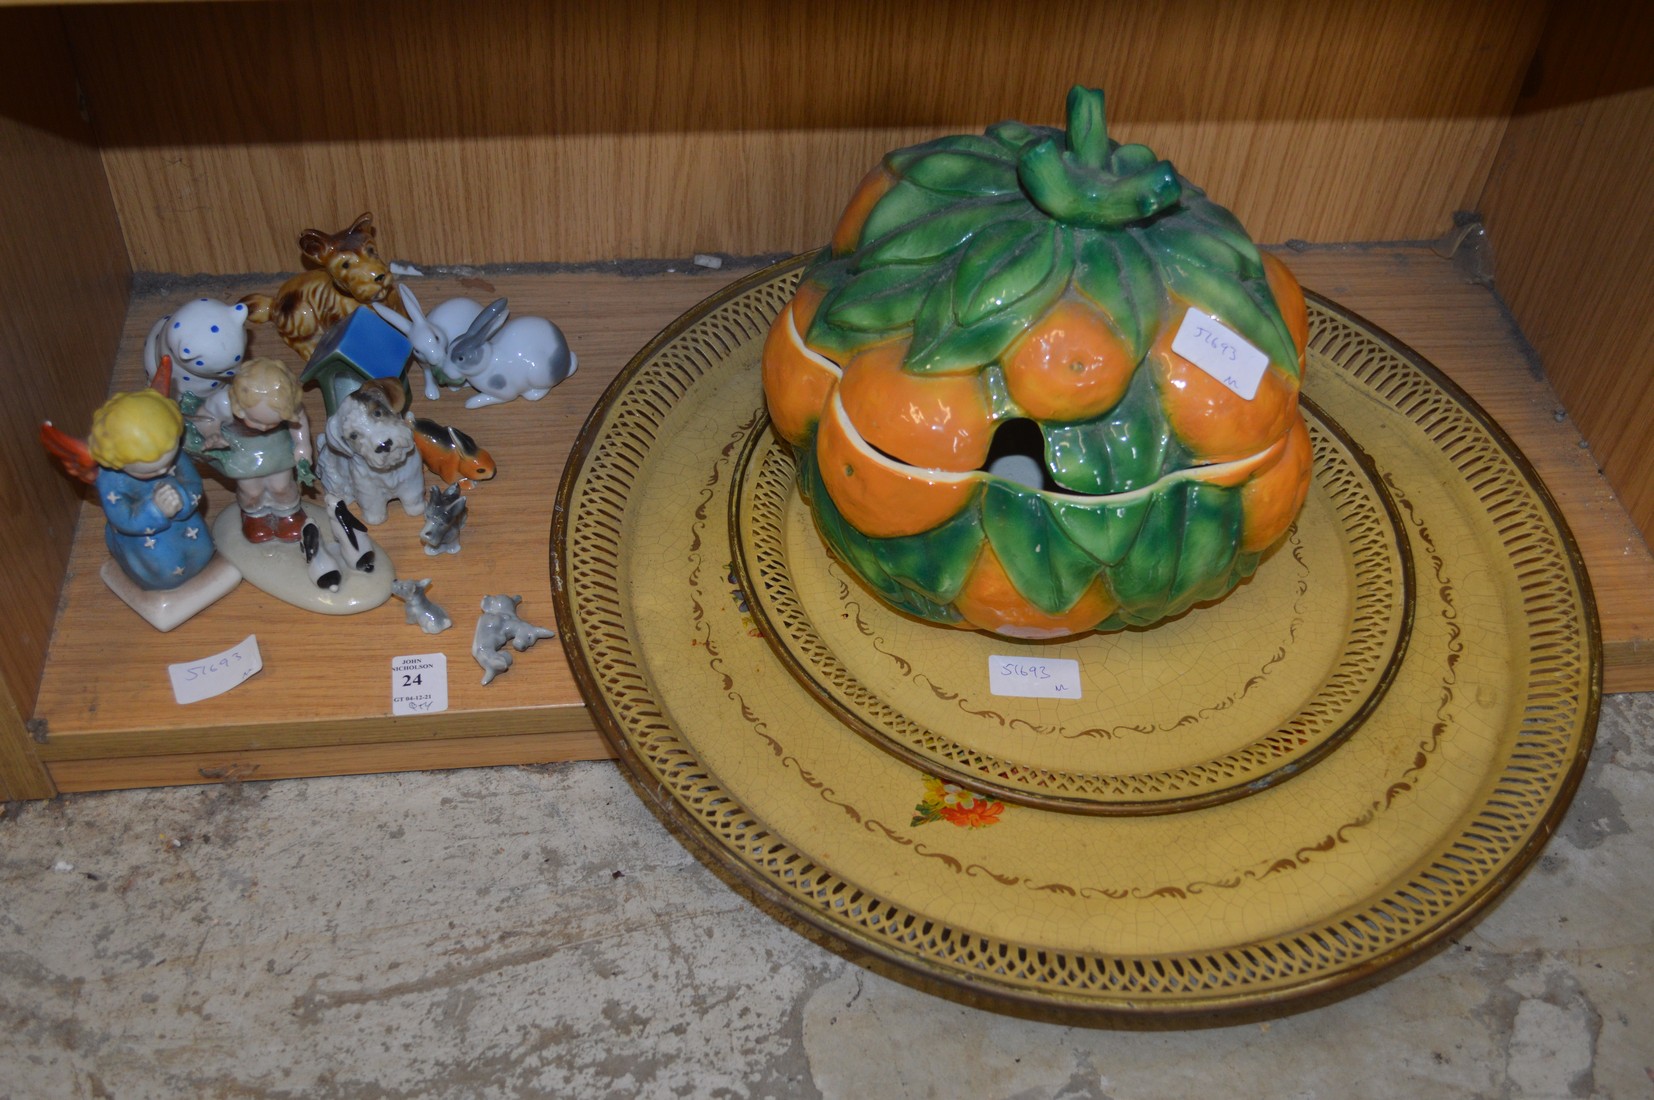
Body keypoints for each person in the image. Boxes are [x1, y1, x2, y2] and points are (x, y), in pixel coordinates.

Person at [85, 388, 215, 589]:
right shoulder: (110, 480)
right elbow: (121, 517)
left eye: (169, 460)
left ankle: (201, 569)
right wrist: (156, 510)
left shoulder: (171, 451)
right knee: (165, 568)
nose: (165, 470)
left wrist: (181, 499)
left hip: (188, 525)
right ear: (119, 462)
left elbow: (194, 484)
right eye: (150, 470)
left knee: (203, 550)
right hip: (146, 538)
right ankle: (160, 584)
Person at [192, 358, 315, 543]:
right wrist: (212, 433)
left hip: (276, 448)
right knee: (251, 490)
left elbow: (299, 422)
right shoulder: (223, 403)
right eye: (256, 421)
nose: (264, 427)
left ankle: (288, 512)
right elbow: (204, 418)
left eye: (273, 422)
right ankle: (255, 515)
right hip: (243, 451)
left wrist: (302, 444)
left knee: (281, 486)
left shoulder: (287, 401)